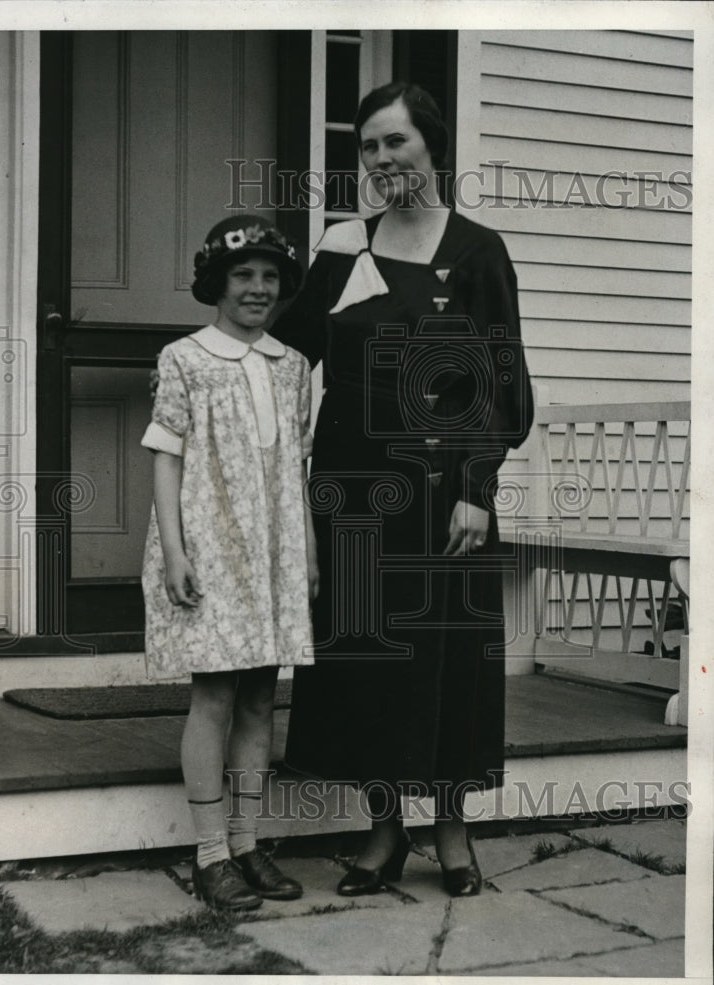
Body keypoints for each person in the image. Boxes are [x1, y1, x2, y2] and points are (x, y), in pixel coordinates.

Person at [270, 82, 534, 897]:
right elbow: (287, 353)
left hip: (442, 494)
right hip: (349, 490)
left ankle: (451, 834)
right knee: (363, 661)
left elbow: (501, 387)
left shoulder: (478, 249)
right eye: (369, 146)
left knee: (448, 659)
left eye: (397, 142)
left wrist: (475, 487)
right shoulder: (344, 244)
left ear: (432, 147)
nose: (383, 159)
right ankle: (384, 833)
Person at [141, 215, 318, 911]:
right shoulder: (184, 358)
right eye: (243, 275)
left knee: (257, 697)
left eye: (269, 277)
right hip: (209, 547)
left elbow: (294, 472)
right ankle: (210, 853)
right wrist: (176, 551)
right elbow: (165, 458)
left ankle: (247, 844)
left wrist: (304, 549)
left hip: (271, 552)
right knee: (214, 694)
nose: (256, 288)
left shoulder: (292, 366)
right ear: (217, 282)